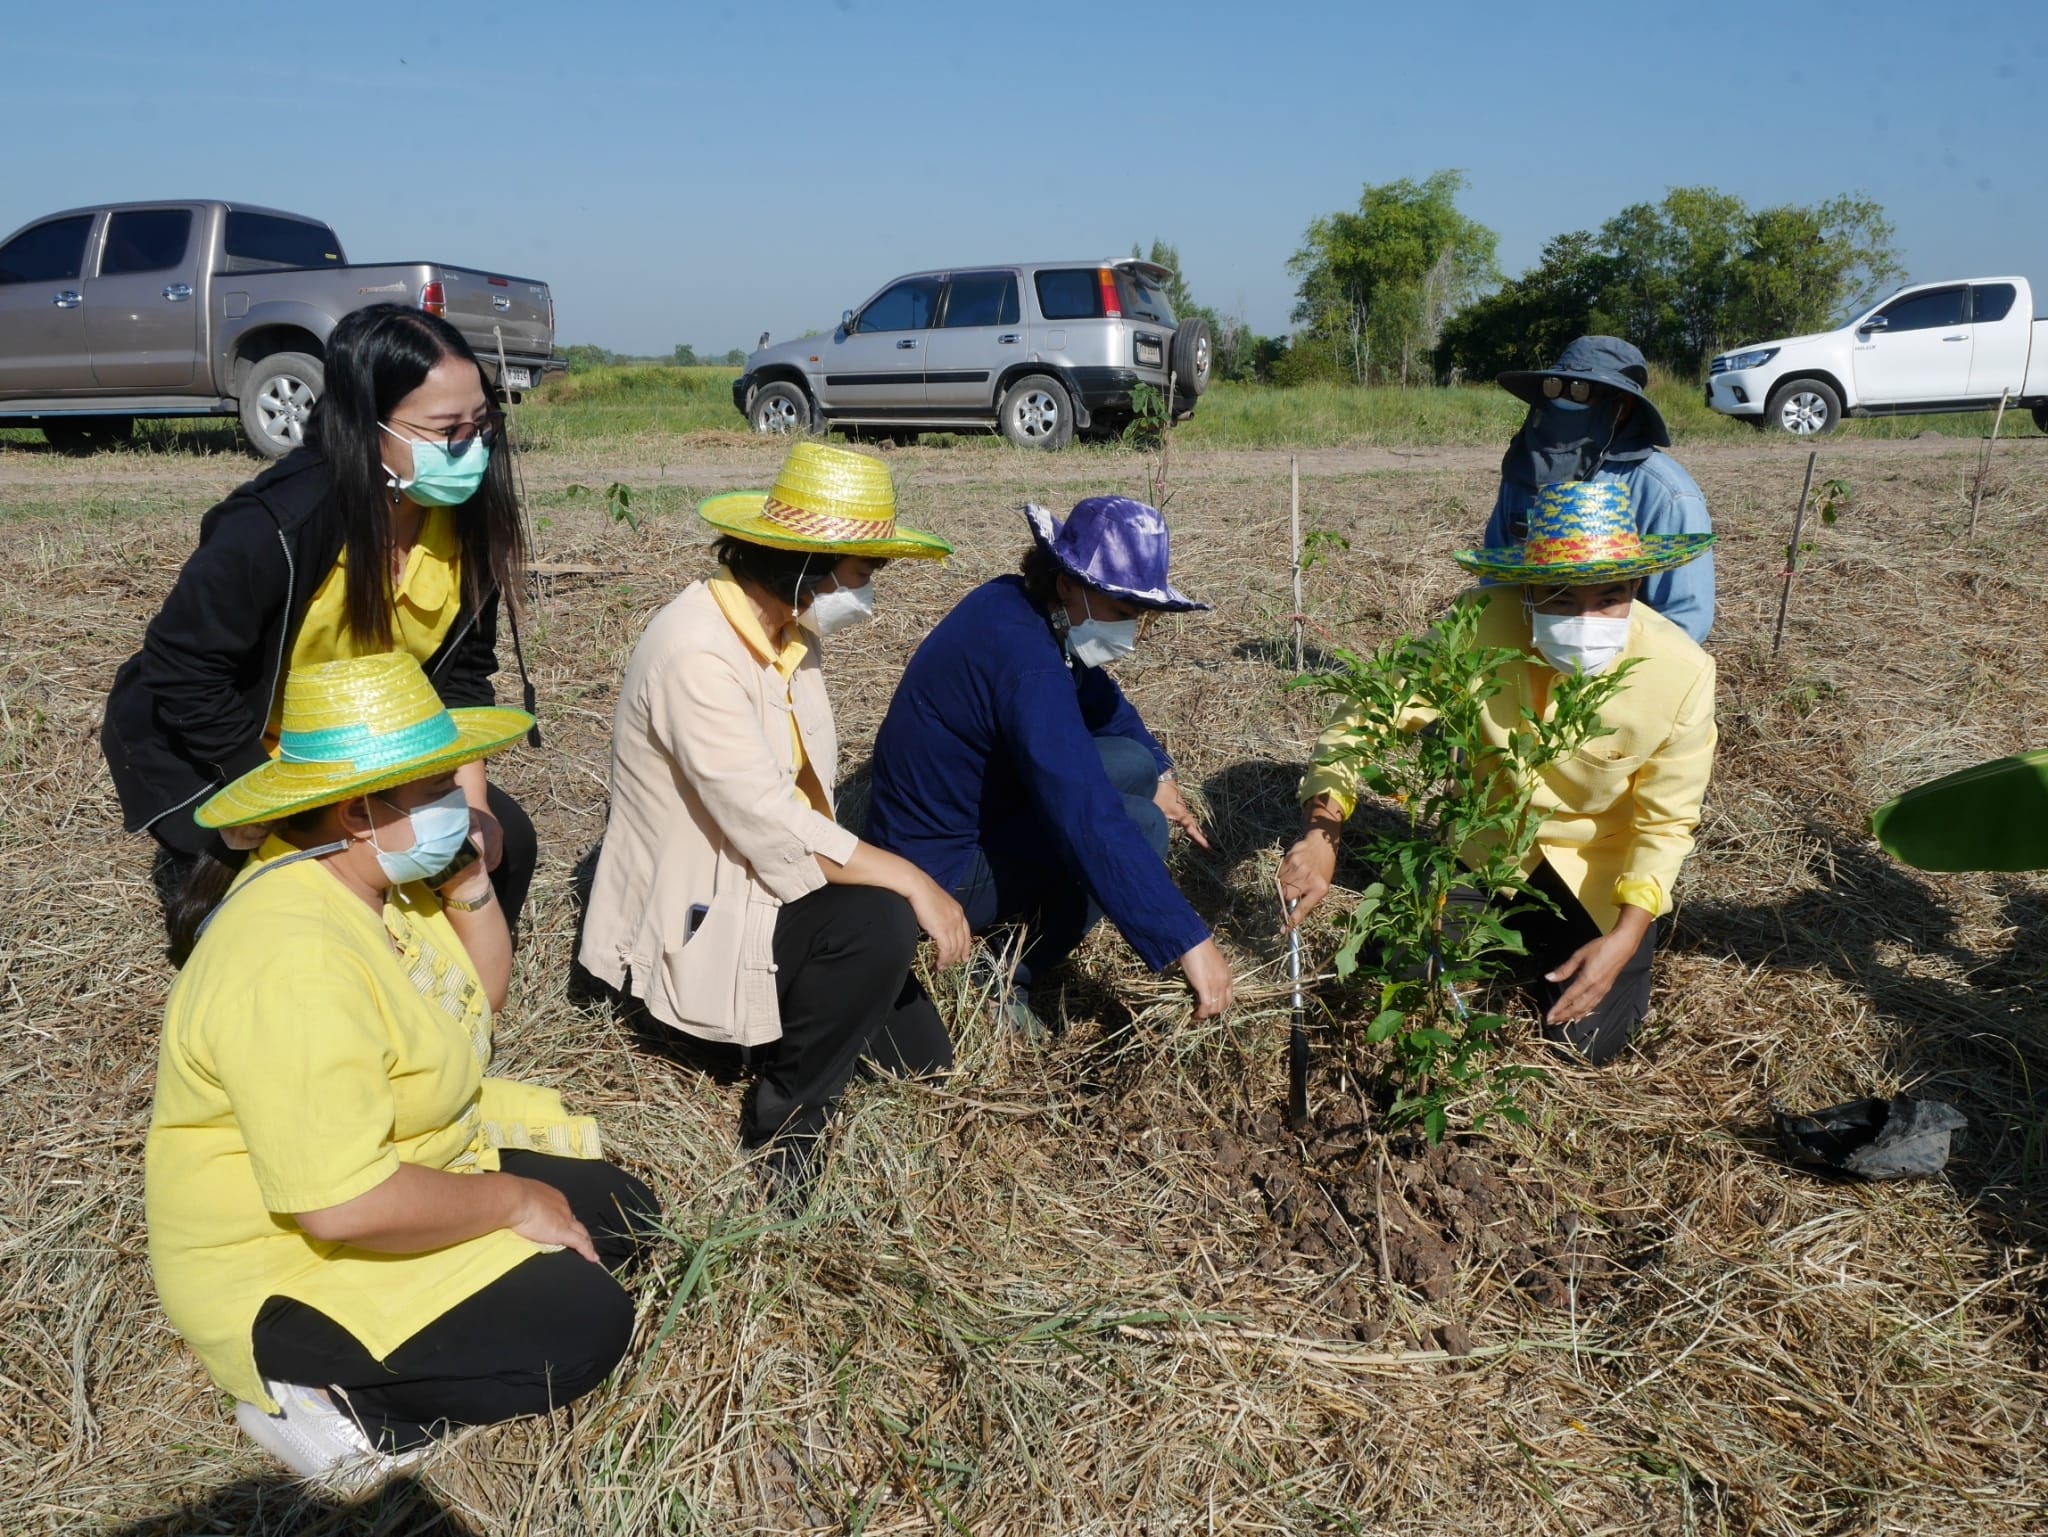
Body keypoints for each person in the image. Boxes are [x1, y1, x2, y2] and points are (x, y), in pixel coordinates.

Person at [145, 652, 658, 1491]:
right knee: (586, 1321)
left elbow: (476, 1004)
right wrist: (515, 1200)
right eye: (433, 789)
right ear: (357, 809)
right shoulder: (290, 957)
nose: (459, 803)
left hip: (410, 1160)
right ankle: (326, 1399)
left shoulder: (372, 876)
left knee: (626, 1217)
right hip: (288, 1262)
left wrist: (467, 880)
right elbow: (340, 1201)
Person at [579, 442, 968, 1185]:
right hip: (699, 919)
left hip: (765, 885)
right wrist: (913, 880)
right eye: (861, 576)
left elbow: (799, 804)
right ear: (806, 564)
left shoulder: (789, 637)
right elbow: (770, 819)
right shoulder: (697, 651)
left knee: (924, 1062)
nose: (867, 596)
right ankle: (787, 1125)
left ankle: (809, 1024)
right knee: (884, 918)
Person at [102, 303, 541, 958]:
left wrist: (470, 808)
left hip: (371, 753)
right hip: (261, 754)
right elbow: (181, 665)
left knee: (507, 838)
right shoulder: (275, 526)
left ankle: (452, 1013)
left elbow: (464, 679)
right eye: (446, 431)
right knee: (289, 913)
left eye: (482, 424)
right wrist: (265, 798)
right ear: (366, 428)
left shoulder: (463, 519)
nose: (471, 449)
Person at [1279, 480, 1717, 1065]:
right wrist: (1322, 829)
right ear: (1527, 587)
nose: (1586, 620)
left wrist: (1627, 934)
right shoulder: (1480, 623)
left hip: (1596, 869)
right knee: (1402, 975)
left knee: (1584, 1044)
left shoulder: (1680, 673)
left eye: (1609, 598)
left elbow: (1666, 824)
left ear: (1637, 587)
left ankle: (1561, 947)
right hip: (1482, 847)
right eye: (1561, 598)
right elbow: (1369, 713)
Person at [864, 496, 1234, 1030]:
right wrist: (1187, 939)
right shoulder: (1029, 668)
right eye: (1124, 613)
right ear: (1068, 584)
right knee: (1138, 824)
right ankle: (1005, 970)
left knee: (1132, 764)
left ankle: (1013, 936)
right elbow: (1085, 816)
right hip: (939, 864)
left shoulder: (1017, 604)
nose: (1132, 632)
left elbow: (1101, 701)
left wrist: (1162, 772)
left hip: (967, 811)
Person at [1485, 335, 1715, 644]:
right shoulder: (1523, 473)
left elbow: (1684, 619)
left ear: (1623, 405)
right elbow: (1496, 583)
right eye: (1554, 387)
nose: (1563, 400)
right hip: (1532, 654)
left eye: (1581, 391)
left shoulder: (1664, 493)